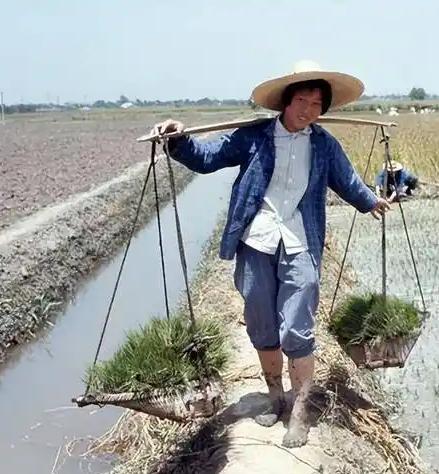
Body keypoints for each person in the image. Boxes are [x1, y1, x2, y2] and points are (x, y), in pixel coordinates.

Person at [152, 60, 391, 448]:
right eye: (302, 100)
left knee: (297, 326)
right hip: (257, 240)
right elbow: (208, 158)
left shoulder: (324, 144)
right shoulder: (255, 137)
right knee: (261, 322)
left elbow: (346, 180)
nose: (309, 110)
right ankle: (274, 395)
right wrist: (178, 139)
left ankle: (299, 409)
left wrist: (370, 201)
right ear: (285, 101)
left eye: (317, 104)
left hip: (300, 241)